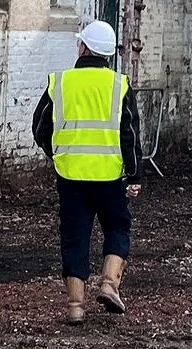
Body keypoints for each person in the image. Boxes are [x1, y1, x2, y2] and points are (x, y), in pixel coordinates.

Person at [32, 19, 142, 323]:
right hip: (109, 178)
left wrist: (58, 154)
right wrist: (134, 175)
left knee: (74, 238)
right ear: (107, 55)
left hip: (71, 179)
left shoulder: (61, 82)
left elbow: (40, 127)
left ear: (84, 48)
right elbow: (130, 134)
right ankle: (109, 285)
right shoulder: (119, 85)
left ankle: (76, 307)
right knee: (117, 228)